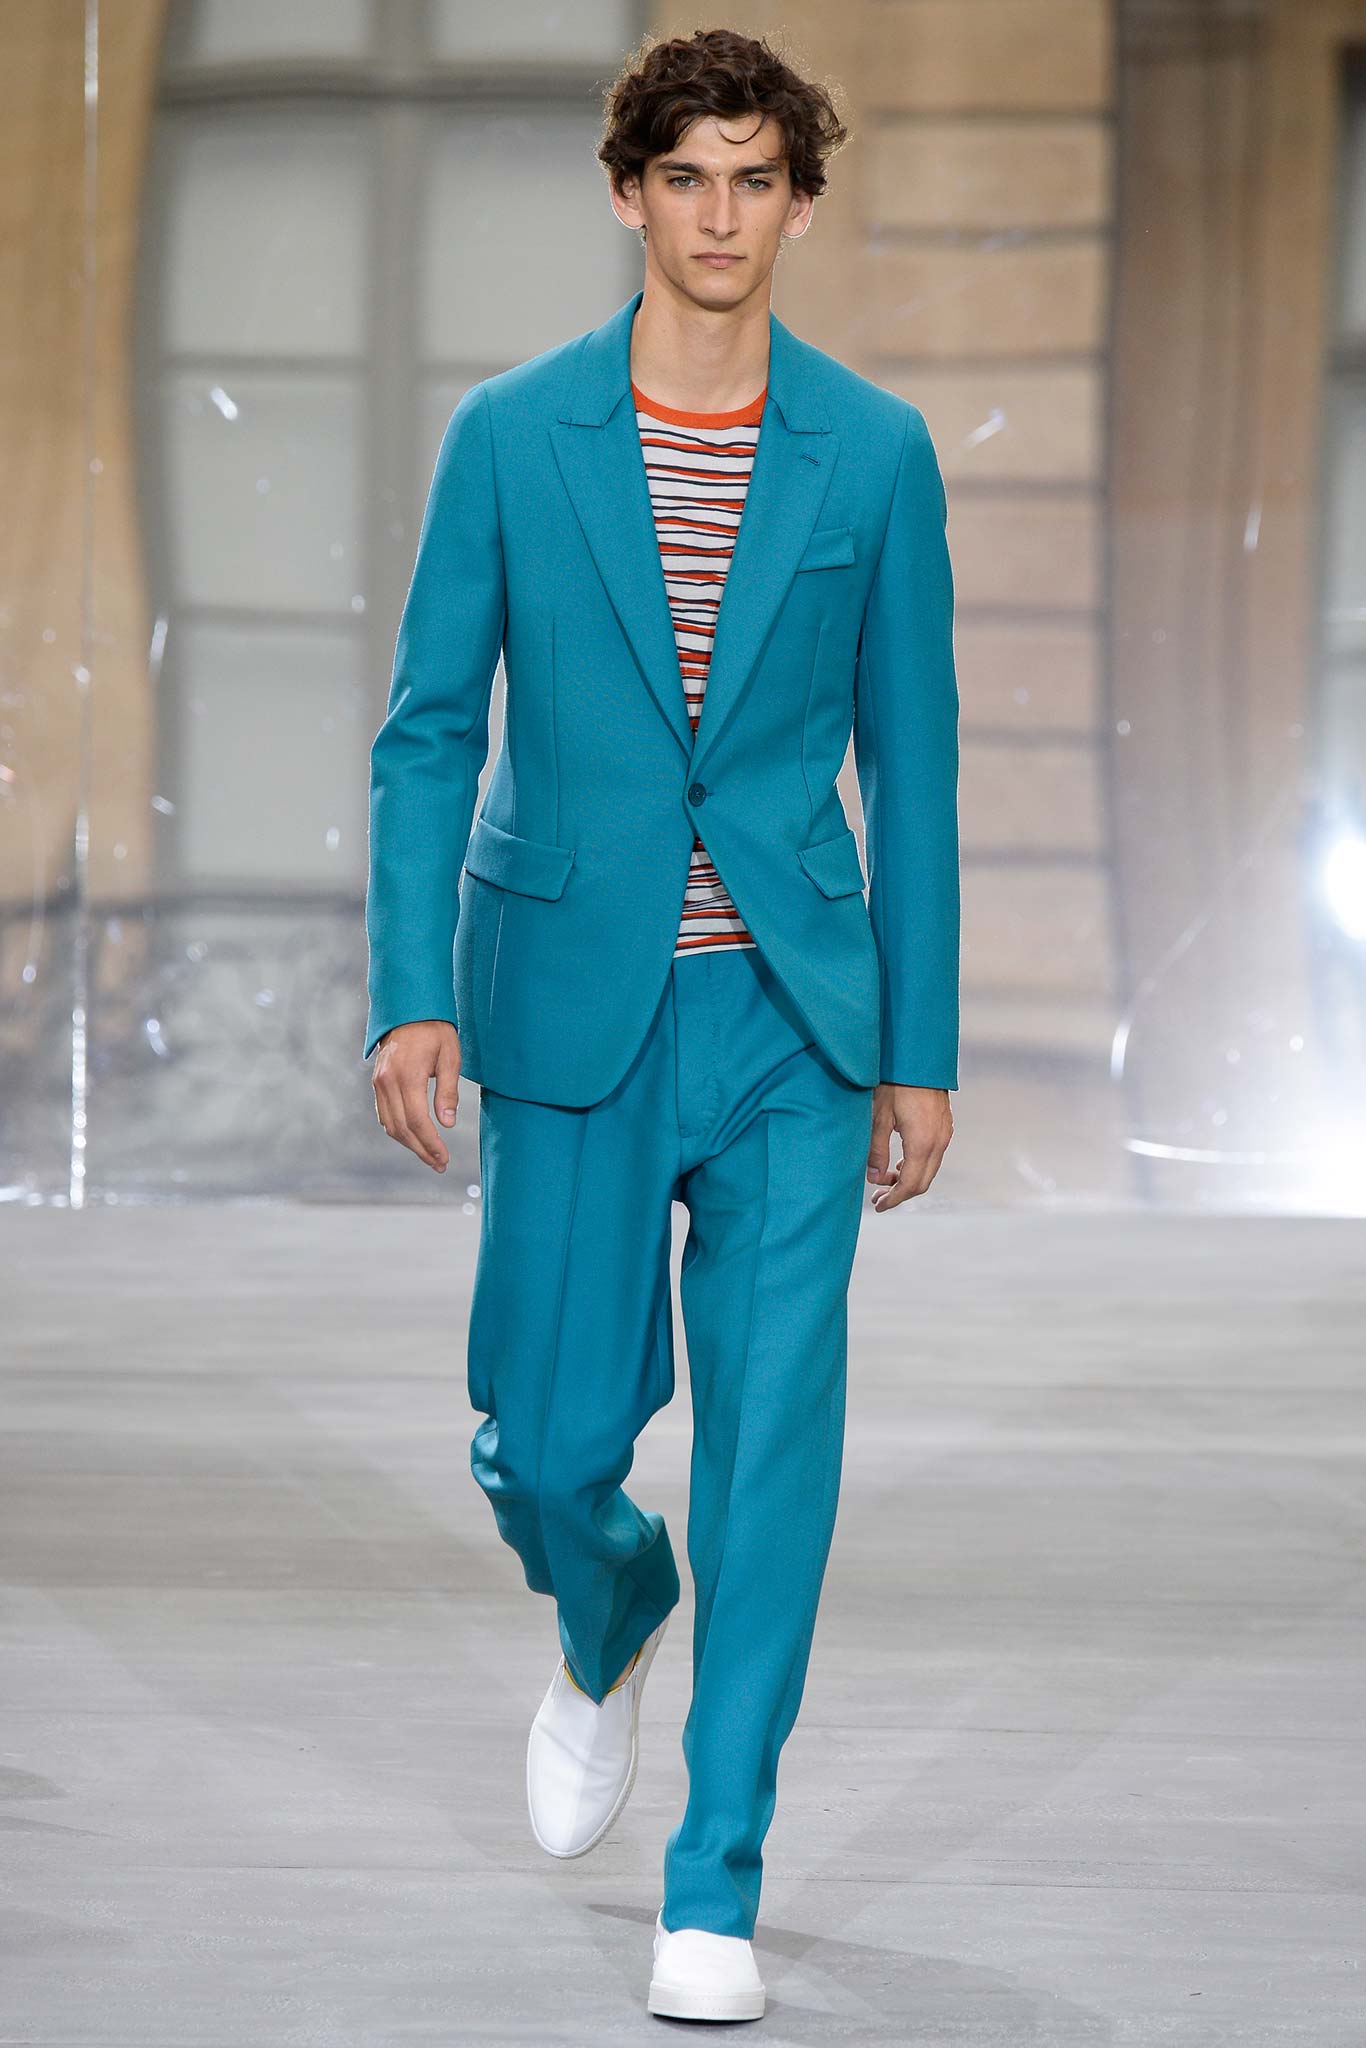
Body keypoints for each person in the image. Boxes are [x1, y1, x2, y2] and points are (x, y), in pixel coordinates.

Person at [364, 26, 958, 2025]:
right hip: (565, 1004)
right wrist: (411, 992)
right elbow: (428, 730)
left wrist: (920, 1042)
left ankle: (714, 1883)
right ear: (627, 193)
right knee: (545, 1444)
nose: (718, 216)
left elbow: (913, 763)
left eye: (752, 179)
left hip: (793, 1018)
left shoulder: (872, 451)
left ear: (798, 202)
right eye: (684, 177)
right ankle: (605, 1604)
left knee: (771, 1451)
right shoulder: (510, 435)